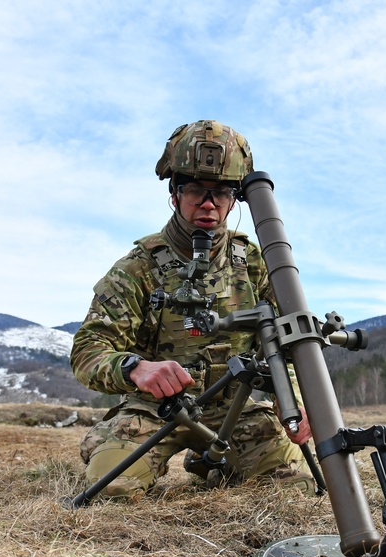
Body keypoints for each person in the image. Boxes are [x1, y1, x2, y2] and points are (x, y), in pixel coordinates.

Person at [70, 120, 314, 500]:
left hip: (231, 411)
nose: (207, 204)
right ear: (174, 193)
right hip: (154, 411)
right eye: (196, 190)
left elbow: (290, 338)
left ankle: (210, 464)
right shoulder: (137, 267)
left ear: (235, 200)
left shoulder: (252, 261)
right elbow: (88, 351)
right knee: (112, 492)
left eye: (220, 193)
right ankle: (112, 444)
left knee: (294, 490)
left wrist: (295, 400)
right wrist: (136, 368)